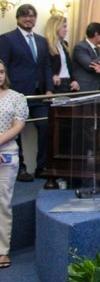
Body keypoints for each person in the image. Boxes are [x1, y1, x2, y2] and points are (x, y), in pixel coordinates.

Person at [0, 4, 53, 181]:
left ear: (35, 18)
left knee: (45, 125)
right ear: (18, 18)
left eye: (31, 16)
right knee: (15, 131)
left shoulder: (41, 40)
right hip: (16, 94)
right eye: (24, 16)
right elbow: (4, 66)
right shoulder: (7, 39)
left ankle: (42, 166)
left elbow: (46, 65)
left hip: (39, 95)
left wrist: (49, 89)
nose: (28, 19)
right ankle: (21, 168)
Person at [0, 60, 28, 269]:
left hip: (6, 155)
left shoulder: (17, 97)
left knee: (3, 203)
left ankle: (2, 251)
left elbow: (18, 126)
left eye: (1, 72)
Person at [71, 22, 100, 91]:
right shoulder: (80, 47)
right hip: (86, 91)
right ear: (96, 34)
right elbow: (90, 66)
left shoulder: (99, 50)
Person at [44, 15, 80, 94]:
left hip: (68, 83)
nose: (66, 30)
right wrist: (52, 75)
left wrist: (74, 80)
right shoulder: (45, 44)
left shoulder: (64, 44)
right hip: (56, 84)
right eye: (64, 27)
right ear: (55, 27)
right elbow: (45, 65)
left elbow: (68, 66)